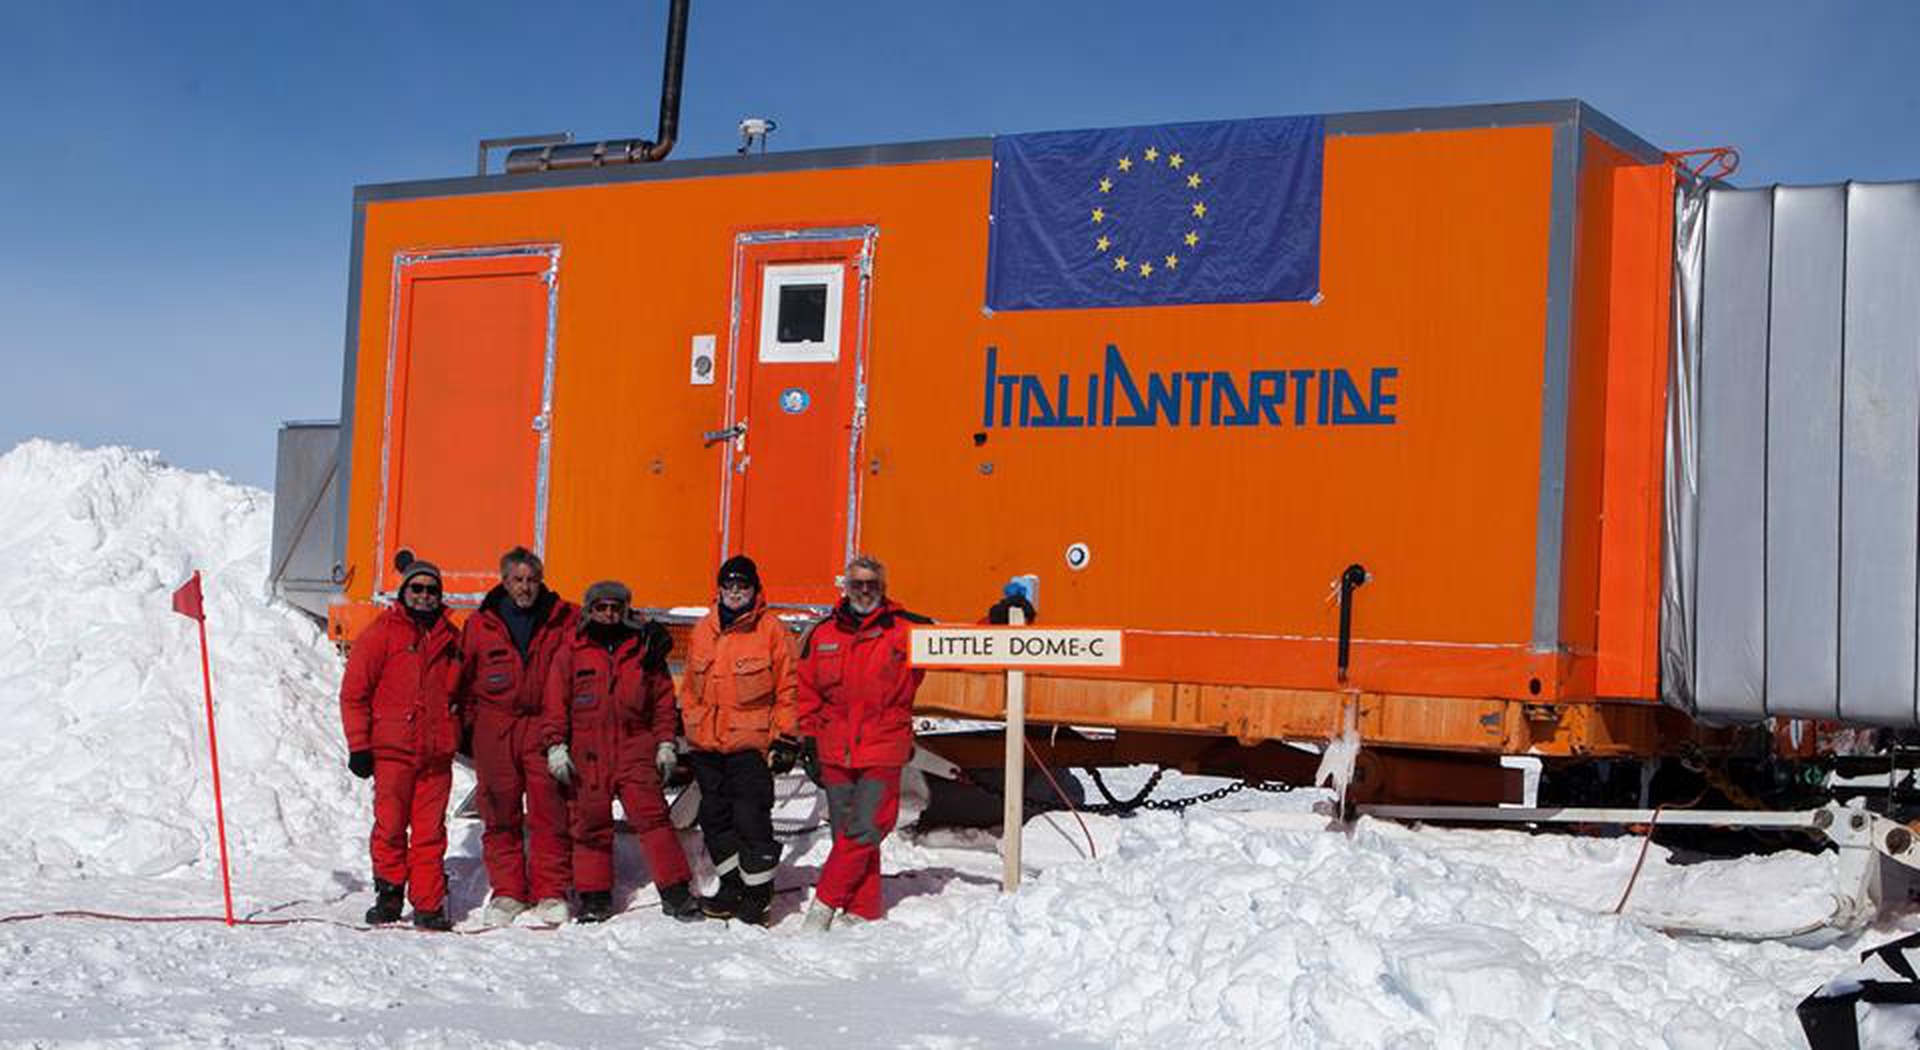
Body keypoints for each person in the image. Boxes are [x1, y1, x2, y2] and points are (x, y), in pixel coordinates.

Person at [540, 580, 704, 924]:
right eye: (601, 607)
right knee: (589, 825)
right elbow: (555, 703)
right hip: (588, 751)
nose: (609, 614)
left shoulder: (643, 648)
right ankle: (594, 897)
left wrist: (664, 743)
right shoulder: (571, 651)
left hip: (635, 746)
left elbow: (661, 701)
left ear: (626, 609)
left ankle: (675, 892)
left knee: (654, 821)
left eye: (616, 607)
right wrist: (555, 744)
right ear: (589, 611)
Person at [795, 555, 930, 931]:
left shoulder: (905, 630)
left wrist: (1000, 622)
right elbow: (807, 691)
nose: (865, 590)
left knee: (867, 827)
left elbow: (958, 645)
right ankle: (864, 908)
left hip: (883, 744)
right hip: (834, 747)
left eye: (872, 584)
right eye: (858, 584)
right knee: (846, 833)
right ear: (846, 588)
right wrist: (808, 741)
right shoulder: (822, 635)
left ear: (883, 589)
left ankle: (823, 905)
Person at [454, 546, 577, 927]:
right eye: (517, 580)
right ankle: (508, 893)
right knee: (500, 814)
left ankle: (550, 891)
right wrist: (469, 731)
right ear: (504, 581)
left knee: (548, 812)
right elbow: (463, 681)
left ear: (541, 581)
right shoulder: (480, 624)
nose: (525, 588)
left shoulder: (564, 618)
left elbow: (605, 633)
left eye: (532, 580)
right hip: (497, 729)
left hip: (542, 726)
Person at [339, 553, 461, 931]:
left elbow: (463, 692)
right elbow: (354, 694)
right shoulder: (381, 634)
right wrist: (359, 745)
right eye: (417, 588)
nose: (424, 595)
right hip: (392, 752)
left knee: (430, 832)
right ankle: (389, 895)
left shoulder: (452, 640)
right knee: (390, 827)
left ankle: (427, 904)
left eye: (431, 590)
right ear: (405, 591)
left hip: (436, 754)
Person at [680, 555, 800, 925]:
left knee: (751, 821)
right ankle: (731, 885)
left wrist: (786, 739)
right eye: (729, 586)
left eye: (743, 586)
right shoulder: (703, 629)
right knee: (715, 820)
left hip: (751, 747)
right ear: (719, 589)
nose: (735, 593)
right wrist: (688, 729)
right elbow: (690, 689)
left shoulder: (772, 631)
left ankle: (757, 896)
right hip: (708, 747)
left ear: (755, 590)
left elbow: (789, 689)